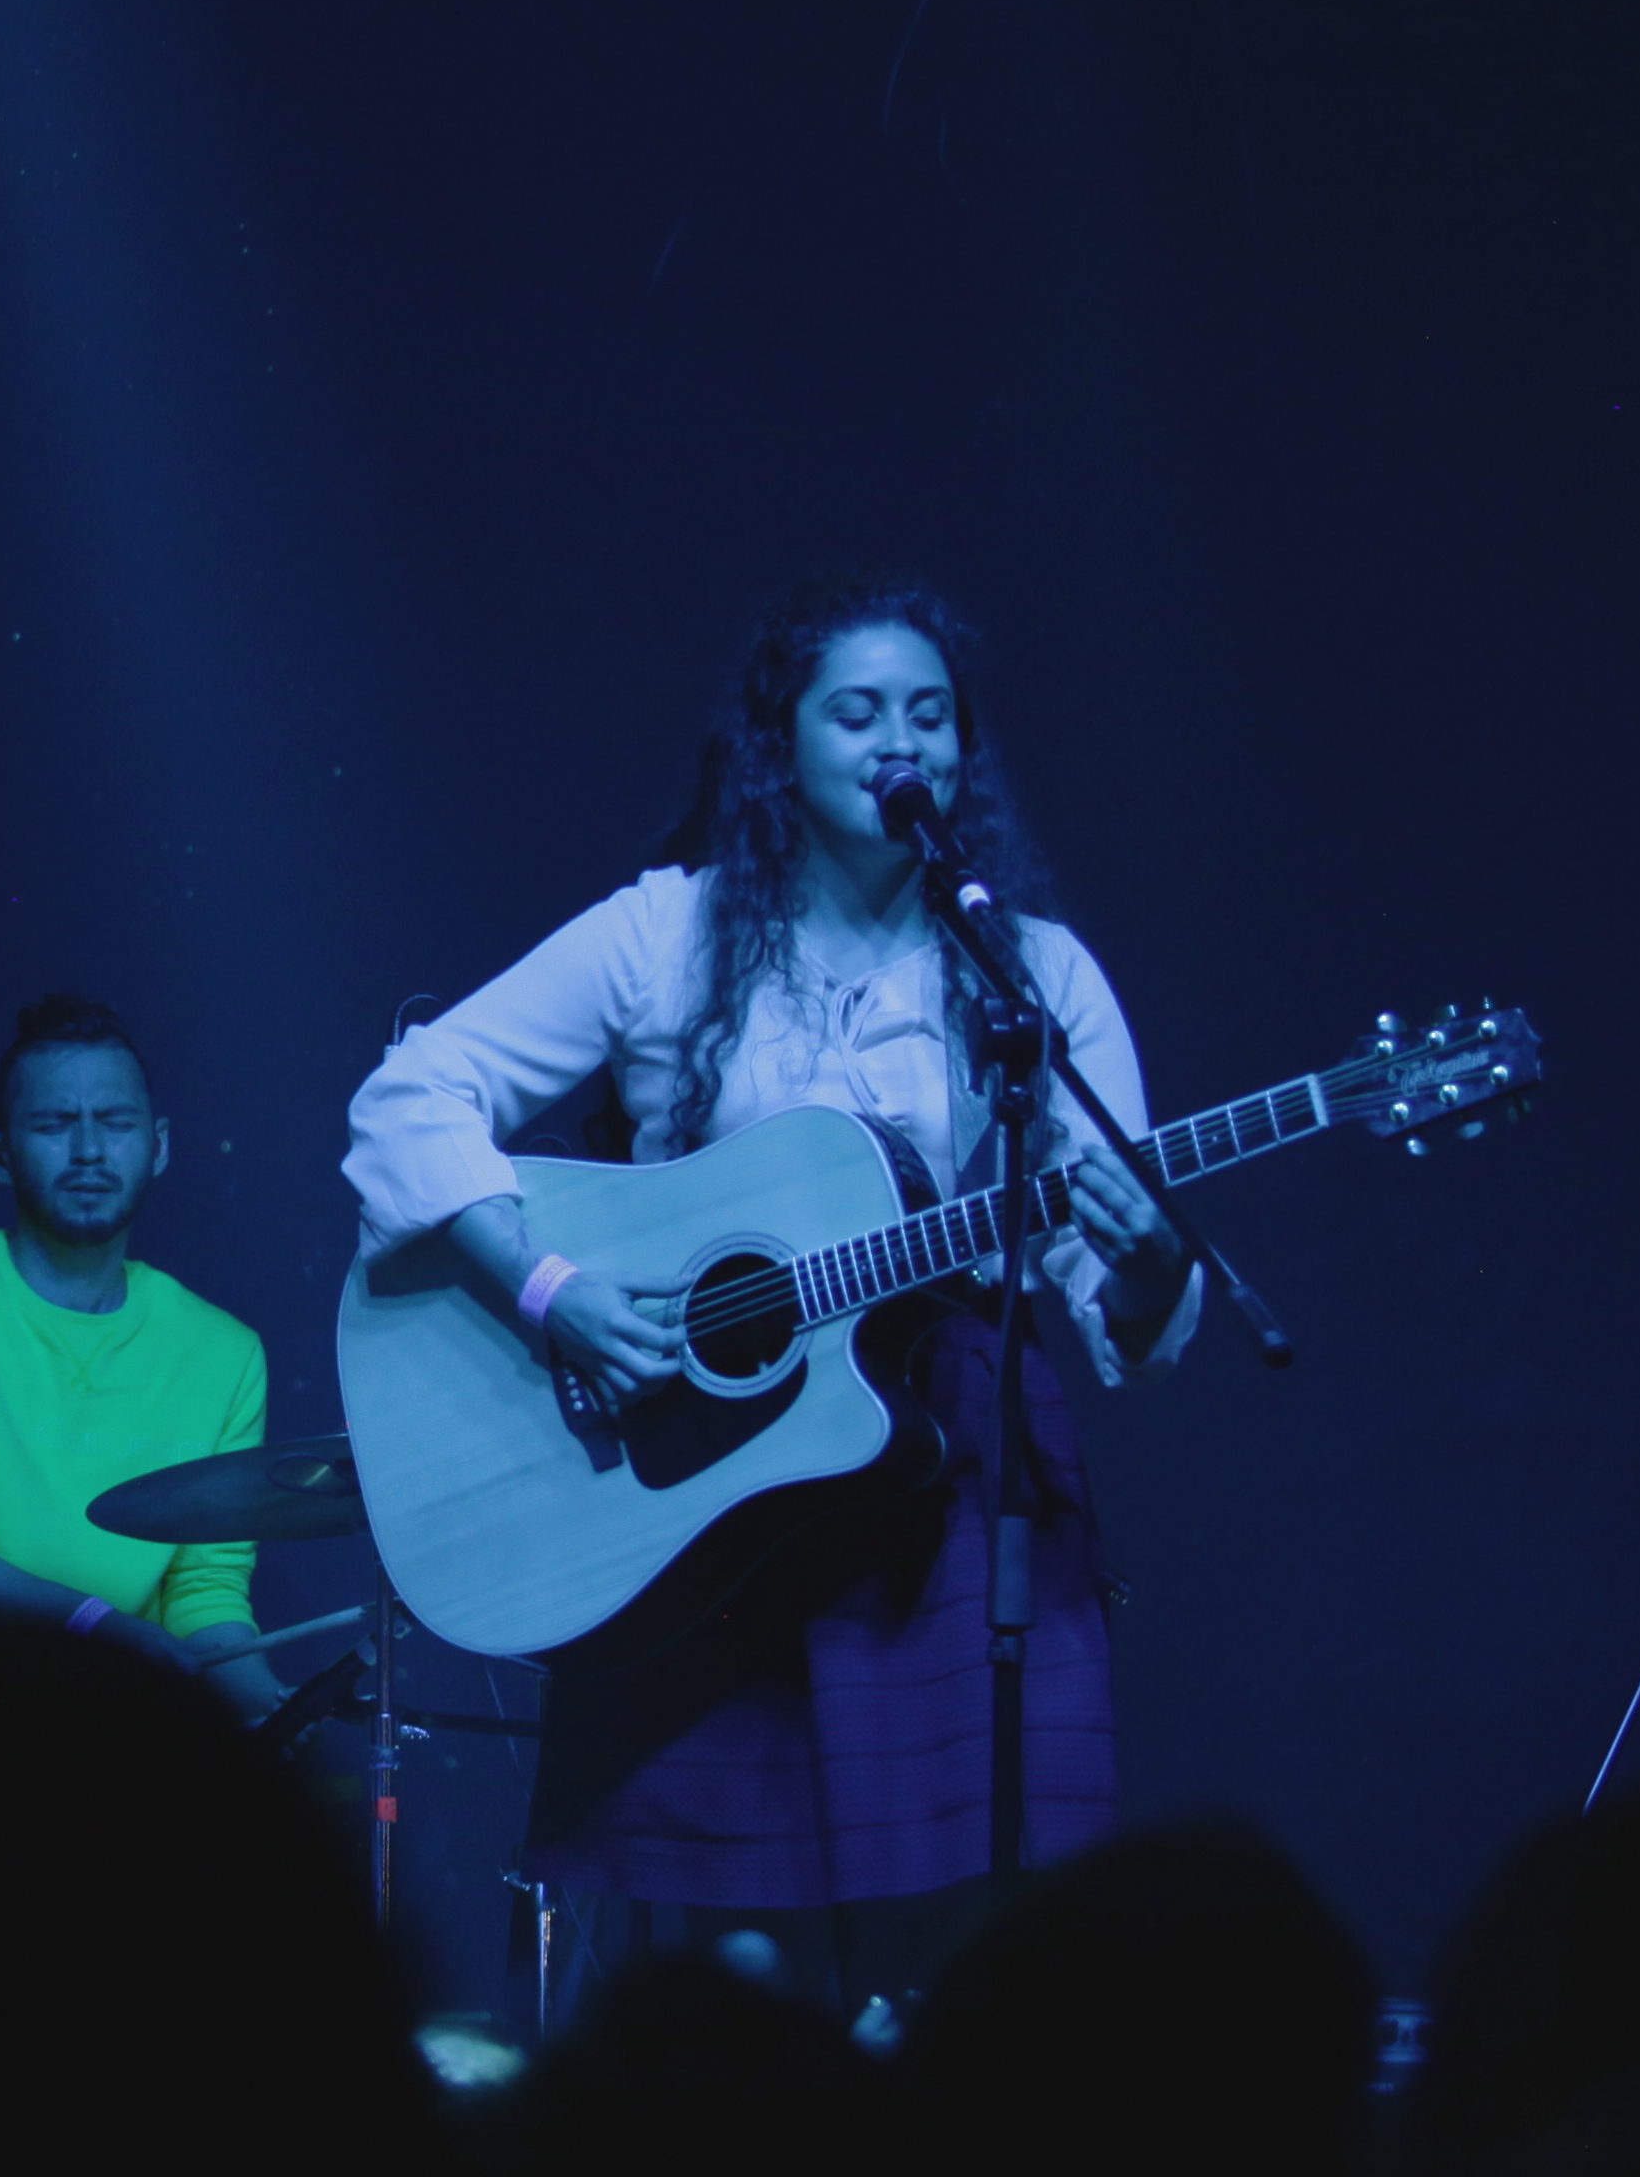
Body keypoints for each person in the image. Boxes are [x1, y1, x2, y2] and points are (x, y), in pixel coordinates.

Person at [343, 576, 1197, 2009]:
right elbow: (409, 1097)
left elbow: (1111, 1277)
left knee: (973, 1956)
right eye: (857, 712)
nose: (899, 742)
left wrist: (1154, 1263)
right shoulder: (664, 937)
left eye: (930, 713)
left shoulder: (1029, 976)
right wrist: (548, 1285)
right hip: (708, 1493)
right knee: (751, 1978)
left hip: (942, 1480)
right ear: (780, 743)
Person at [0, 990, 281, 1709]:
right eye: (53, 1124)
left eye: (116, 1122)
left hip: (102, 1727)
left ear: (159, 1146)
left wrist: (270, 1707)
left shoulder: (226, 1352)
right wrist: (92, 1624)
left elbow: (204, 1593)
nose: (89, 1151)